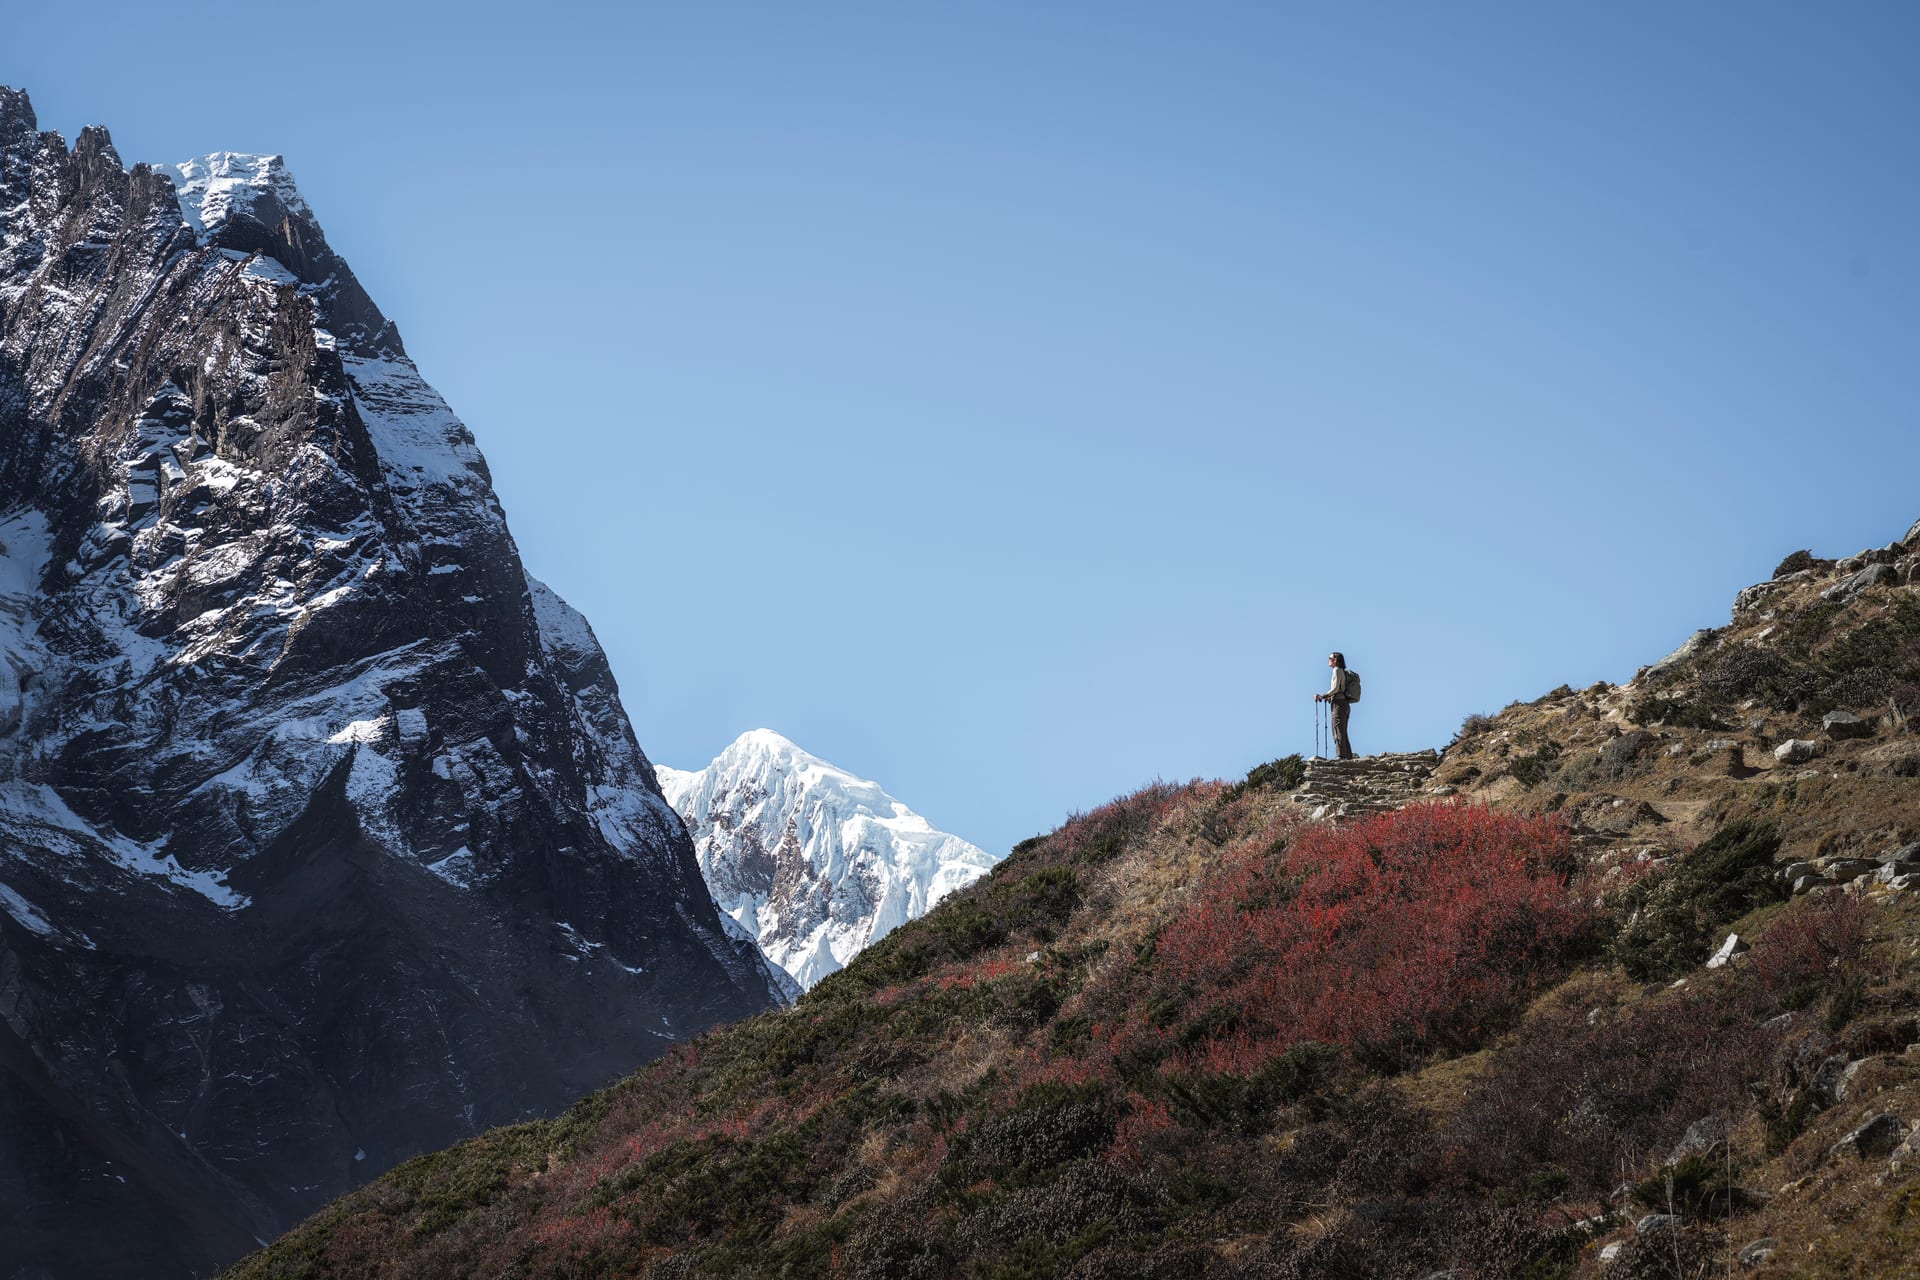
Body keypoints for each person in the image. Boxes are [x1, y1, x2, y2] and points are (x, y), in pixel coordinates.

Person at [1314, 652, 1356, 760]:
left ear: (1335, 660)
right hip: (1344, 704)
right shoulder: (1341, 671)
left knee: (1337, 730)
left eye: (1330, 658)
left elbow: (1336, 688)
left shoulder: (1336, 670)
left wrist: (1324, 696)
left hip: (1338, 704)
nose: (1328, 660)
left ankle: (1340, 755)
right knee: (1342, 730)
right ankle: (1348, 756)